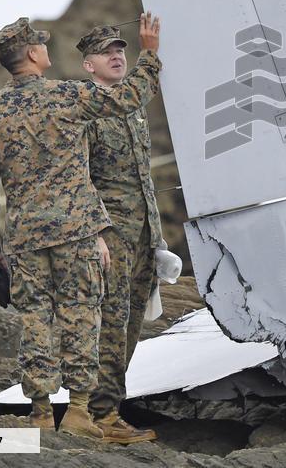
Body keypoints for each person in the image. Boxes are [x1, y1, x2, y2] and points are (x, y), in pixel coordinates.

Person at [0, 13, 162, 438]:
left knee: (35, 320)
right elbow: (130, 97)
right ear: (34, 54)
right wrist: (148, 54)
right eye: (42, 46)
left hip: (23, 236)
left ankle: (39, 412)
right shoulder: (68, 97)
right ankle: (78, 412)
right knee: (81, 317)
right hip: (76, 231)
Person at [77, 25, 164, 444]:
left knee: (131, 324)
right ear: (87, 64)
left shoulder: (131, 106)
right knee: (110, 324)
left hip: (143, 231)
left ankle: (110, 407)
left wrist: (158, 237)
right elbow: (77, 178)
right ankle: (102, 415)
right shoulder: (85, 108)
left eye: (120, 50)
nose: (116, 56)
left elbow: (144, 177)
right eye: (105, 52)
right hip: (111, 235)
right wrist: (95, 230)